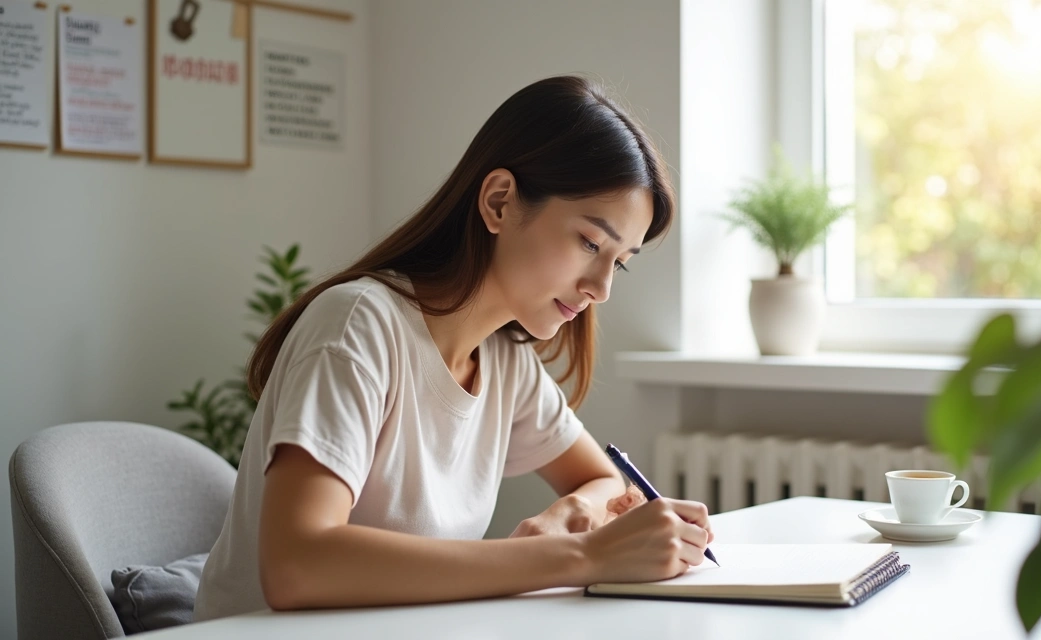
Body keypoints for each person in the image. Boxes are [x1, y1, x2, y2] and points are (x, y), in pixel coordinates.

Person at [193, 75, 714, 621]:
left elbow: (603, 477)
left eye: (621, 261)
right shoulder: (359, 326)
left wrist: (568, 515)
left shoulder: (504, 360)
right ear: (499, 202)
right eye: (589, 242)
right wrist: (579, 554)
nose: (601, 287)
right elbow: (297, 565)